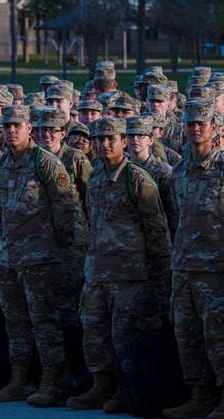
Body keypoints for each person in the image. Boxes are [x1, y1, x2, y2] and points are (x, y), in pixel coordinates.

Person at [66, 117, 171, 413]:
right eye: (98, 139)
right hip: (97, 272)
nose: (103, 144)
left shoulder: (137, 178)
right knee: (93, 332)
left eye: (110, 139)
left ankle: (126, 390)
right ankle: (101, 386)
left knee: (122, 336)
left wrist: (159, 279)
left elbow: (157, 231)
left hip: (128, 275)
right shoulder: (97, 174)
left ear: (123, 141)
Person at [0, 105, 87, 407]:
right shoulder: (1, 164)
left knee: (44, 321)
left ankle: (51, 380)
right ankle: (19, 380)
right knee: (15, 322)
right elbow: (0, 212)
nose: (11, 130)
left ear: (29, 128)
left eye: (17, 125)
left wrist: (67, 258)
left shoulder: (45, 162)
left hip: (42, 259)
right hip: (9, 259)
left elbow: (68, 213)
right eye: (6, 126)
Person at [163, 98, 224, 419]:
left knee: (218, 335)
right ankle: (199, 395)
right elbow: (176, 216)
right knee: (186, 335)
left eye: (201, 123)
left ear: (215, 129)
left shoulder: (222, 167)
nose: (195, 128)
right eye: (190, 123)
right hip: (183, 266)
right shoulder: (180, 170)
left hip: (215, 268)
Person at [125, 116, 179, 240]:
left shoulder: (163, 172)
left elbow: (172, 213)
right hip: (129, 239)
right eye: (131, 135)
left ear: (151, 140)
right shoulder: (123, 169)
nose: (135, 139)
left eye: (141, 135)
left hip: (157, 237)